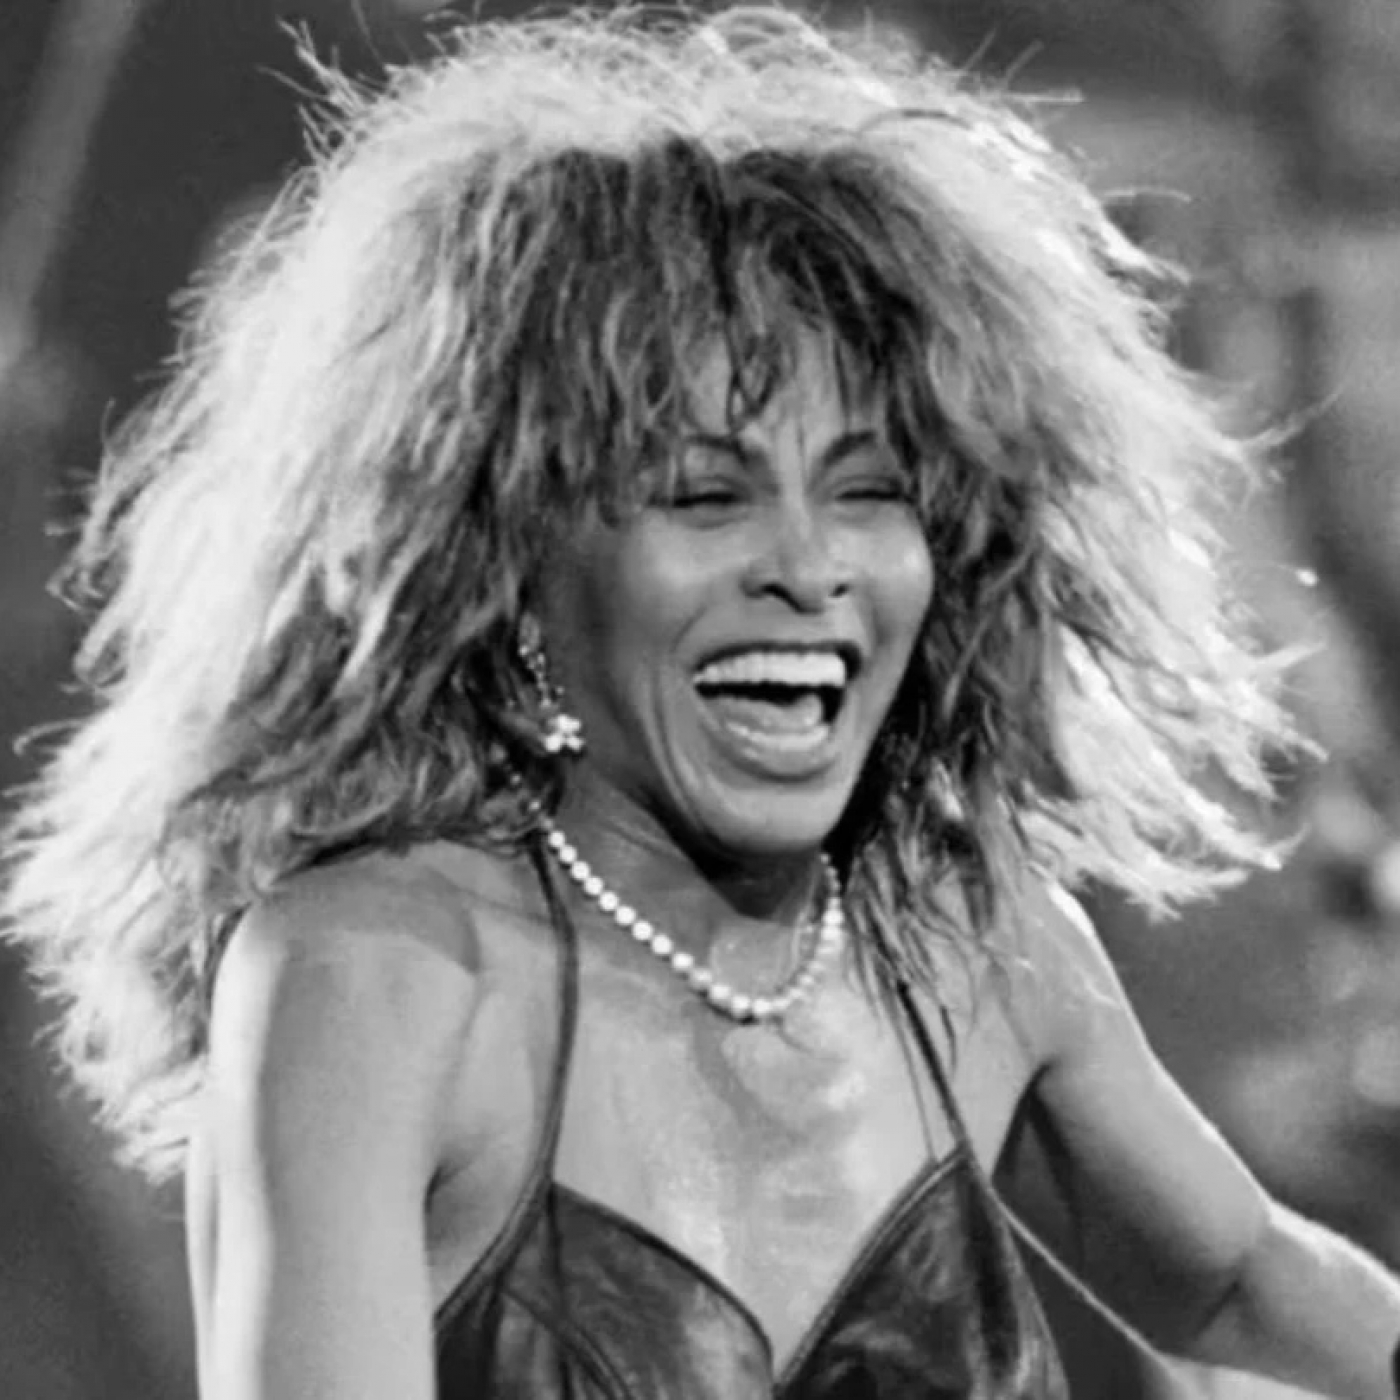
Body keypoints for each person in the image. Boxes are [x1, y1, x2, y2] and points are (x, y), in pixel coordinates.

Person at [3, 6, 1399, 1398]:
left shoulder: (968, 937)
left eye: (870, 491)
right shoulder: (374, 976)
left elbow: (1242, 1280)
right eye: (706, 495)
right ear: (504, 561)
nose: (809, 566)